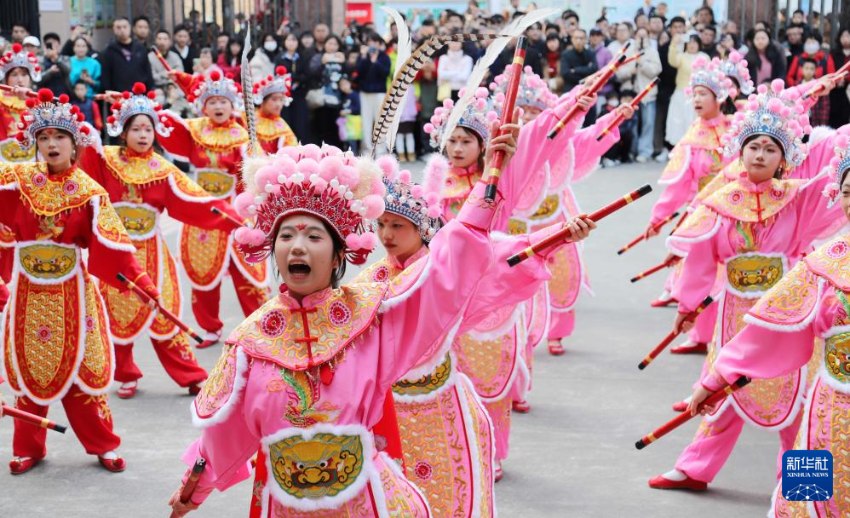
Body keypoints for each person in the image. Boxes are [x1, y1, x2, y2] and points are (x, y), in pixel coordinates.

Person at [165, 119, 580, 514]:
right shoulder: (250, 343)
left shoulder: (372, 322)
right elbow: (223, 433)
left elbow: (447, 268)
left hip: (367, 500)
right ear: (271, 249)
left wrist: (488, 186)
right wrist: (192, 489)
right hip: (285, 503)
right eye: (286, 236)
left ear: (338, 254)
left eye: (313, 236)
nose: (297, 247)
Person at [649, 76, 842, 492]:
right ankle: (694, 468)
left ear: (783, 159)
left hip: (786, 314)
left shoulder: (798, 197)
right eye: (753, 146)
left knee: (796, 400)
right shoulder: (721, 202)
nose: (760, 153)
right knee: (725, 393)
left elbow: (835, 176)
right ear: (740, 153)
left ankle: (803, 490)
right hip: (735, 311)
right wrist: (688, 304)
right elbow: (702, 257)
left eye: (770, 148)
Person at [686, 126, 850, 515]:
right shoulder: (824, 265)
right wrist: (716, 378)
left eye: (769, 148)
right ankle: (693, 466)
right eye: (848, 192)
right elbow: (770, 331)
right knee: (803, 502)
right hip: (829, 403)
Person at [1, 88, 156, 475]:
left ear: (74, 143)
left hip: (72, 291)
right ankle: (28, 447)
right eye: (44, 138)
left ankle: (103, 444)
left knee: (83, 369)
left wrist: (141, 284)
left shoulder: (90, 192)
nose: (51, 144)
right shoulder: (16, 180)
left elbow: (114, 245)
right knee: (29, 367)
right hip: (28, 293)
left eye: (59, 137)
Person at [78, 82, 243, 399]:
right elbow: (83, 152)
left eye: (148, 129)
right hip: (116, 249)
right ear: (122, 132)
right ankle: (126, 374)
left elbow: (197, 201)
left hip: (152, 250)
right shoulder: (107, 159)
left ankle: (190, 375)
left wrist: (237, 221)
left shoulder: (163, 169)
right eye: (136, 128)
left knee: (164, 313)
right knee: (118, 313)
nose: (143, 135)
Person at [160, 69, 270, 348]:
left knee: (247, 274)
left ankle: (259, 324)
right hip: (201, 211)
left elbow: (254, 176)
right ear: (204, 106)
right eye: (212, 101)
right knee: (203, 273)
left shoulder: (243, 136)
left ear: (232, 105)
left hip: (235, 210)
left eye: (223, 101)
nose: (218, 106)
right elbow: (165, 129)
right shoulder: (195, 131)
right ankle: (210, 327)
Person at [615, 27, 661, 162]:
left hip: (647, 94)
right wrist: (631, 71)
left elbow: (656, 71)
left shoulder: (652, 52)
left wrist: (642, 63)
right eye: (639, 36)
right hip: (629, 93)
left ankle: (645, 151)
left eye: (644, 36)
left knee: (648, 123)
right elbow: (618, 72)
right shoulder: (628, 50)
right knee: (630, 124)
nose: (641, 39)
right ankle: (631, 150)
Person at [0, 43, 40, 163]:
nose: (20, 79)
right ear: (6, 79)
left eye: (24, 74)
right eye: (14, 74)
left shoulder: (39, 101)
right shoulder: (1, 100)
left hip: (34, 158)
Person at [666, 34, 707, 144]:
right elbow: (672, 61)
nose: (692, 45)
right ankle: (679, 148)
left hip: (699, 95)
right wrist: (673, 44)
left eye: (694, 42)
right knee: (679, 121)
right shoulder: (682, 56)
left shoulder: (704, 57)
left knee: (696, 121)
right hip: (682, 94)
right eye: (689, 42)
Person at [308, 35, 347, 147]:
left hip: (338, 99)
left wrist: (344, 63)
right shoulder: (318, 57)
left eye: (335, 44)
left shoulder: (341, 57)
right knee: (321, 127)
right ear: (324, 44)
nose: (332, 46)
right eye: (330, 43)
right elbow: (312, 74)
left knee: (336, 129)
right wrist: (322, 63)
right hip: (322, 99)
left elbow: (348, 75)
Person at [356, 32, 391, 156]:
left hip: (380, 93)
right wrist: (365, 58)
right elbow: (359, 71)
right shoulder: (363, 56)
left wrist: (375, 62)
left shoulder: (384, 57)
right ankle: (367, 149)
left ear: (379, 43)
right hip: (365, 93)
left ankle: (381, 150)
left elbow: (385, 73)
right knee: (366, 122)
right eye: (370, 42)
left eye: (375, 42)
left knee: (380, 122)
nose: (372, 45)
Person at [250, 66, 298, 154]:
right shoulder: (250, 120)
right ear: (263, 101)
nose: (278, 104)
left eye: (281, 99)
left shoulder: (282, 126)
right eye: (274, 99)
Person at [100, 17, 154, 93]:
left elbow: (147, 71)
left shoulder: (140, 48)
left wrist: (150, 89)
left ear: (130, 28)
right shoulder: (109, 51)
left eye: (125, 27)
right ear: (114, 30)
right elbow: (106, 76)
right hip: (119, 95)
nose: (122, 30)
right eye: (118, 28)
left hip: (140, 94)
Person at [277, 33, 310, 143]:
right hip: (285, 96)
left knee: (301, 124)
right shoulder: (280, 57)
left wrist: (292, 77)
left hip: (299, 94)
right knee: (286, 122)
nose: (291, 43)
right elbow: (277, 75)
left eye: (294, 40)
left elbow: (307, 75)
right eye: (289, 40)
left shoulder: (302, 57)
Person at [560, 28, 598, 124]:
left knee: (589, 123)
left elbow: (594, 70)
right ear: (572, 39)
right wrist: (585, 73)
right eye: (576, 38)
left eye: (581, 38)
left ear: (586, 40)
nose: (579, 41)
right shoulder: (566, 55)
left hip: (588, 93)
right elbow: (565, 73)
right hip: (570, 92)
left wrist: (575, 70)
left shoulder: (590, 53)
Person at [437, 37, 473, 102]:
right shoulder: (443, 58)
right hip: (446, 92)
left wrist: (448, 73)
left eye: (457, 42)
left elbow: (464, 77)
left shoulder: (467, 59)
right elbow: (441, 75)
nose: (454, 44)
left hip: (463, 92)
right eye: (452, 42)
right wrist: (458, 72)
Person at [39, 33, 71, 97]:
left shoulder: (65, 58)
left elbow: (68, 71)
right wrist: (50, 71)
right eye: (48, 44)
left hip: (63, 94)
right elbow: (38, 79)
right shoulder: (41, 60)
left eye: (54, 43)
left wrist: (56, 59)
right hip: (46, 95)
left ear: (59, 45)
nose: (52, 46)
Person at [831, 28, 850, 128]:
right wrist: (837, 79)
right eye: (843, 36)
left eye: (848, 36)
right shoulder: (834, 53)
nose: (845, 39)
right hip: (835, 89)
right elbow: (831, 69)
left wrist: (845, 79)